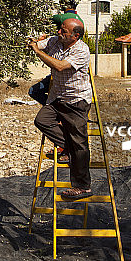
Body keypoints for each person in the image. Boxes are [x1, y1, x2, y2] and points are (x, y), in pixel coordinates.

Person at [27, 18, 93, 201]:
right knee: (42, 120)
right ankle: (66, 146)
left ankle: (83, 186)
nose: (59, 32)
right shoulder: (54, 41)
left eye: (64, 31)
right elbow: (34, 44)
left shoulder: (81, 50)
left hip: (76, 100)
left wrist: (38, 52)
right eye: (60, 29)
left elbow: (60, 65)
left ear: (75, 35)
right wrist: (34, 41)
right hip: (57, 98)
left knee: (80, 142)